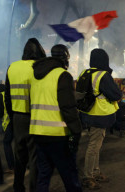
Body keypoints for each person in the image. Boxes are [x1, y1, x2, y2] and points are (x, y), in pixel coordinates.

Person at [30, 44, 83, 191]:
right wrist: (76, 132)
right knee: (70, 176)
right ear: (65, 58)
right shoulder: (62, 75)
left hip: (38, 133)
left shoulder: (36, 76)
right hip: (58, 135)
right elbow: (68, 108)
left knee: (43, 176)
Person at [5, 38, 45, 192]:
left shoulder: (12, 67)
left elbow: (7, 96)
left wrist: (13, 116)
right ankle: (34, 188)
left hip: (17, 117)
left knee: (19, 157)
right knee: (34, 157)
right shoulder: (39, 67)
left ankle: (18, 187)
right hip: (35, 116)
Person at [79, 49, 122, 190]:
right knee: (93, 146)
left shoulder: (84, 73)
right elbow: (115, 94)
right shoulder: (103, 75)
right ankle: (88, 176)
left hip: (86, 113)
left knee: (95, 144)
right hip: (100, 115)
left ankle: (95, 172)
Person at [0, 81, 14, 174]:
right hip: (16, 119)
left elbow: (0, 112)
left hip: (8, 122)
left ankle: (11, 167)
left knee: (6, 143)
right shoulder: (10, 93)